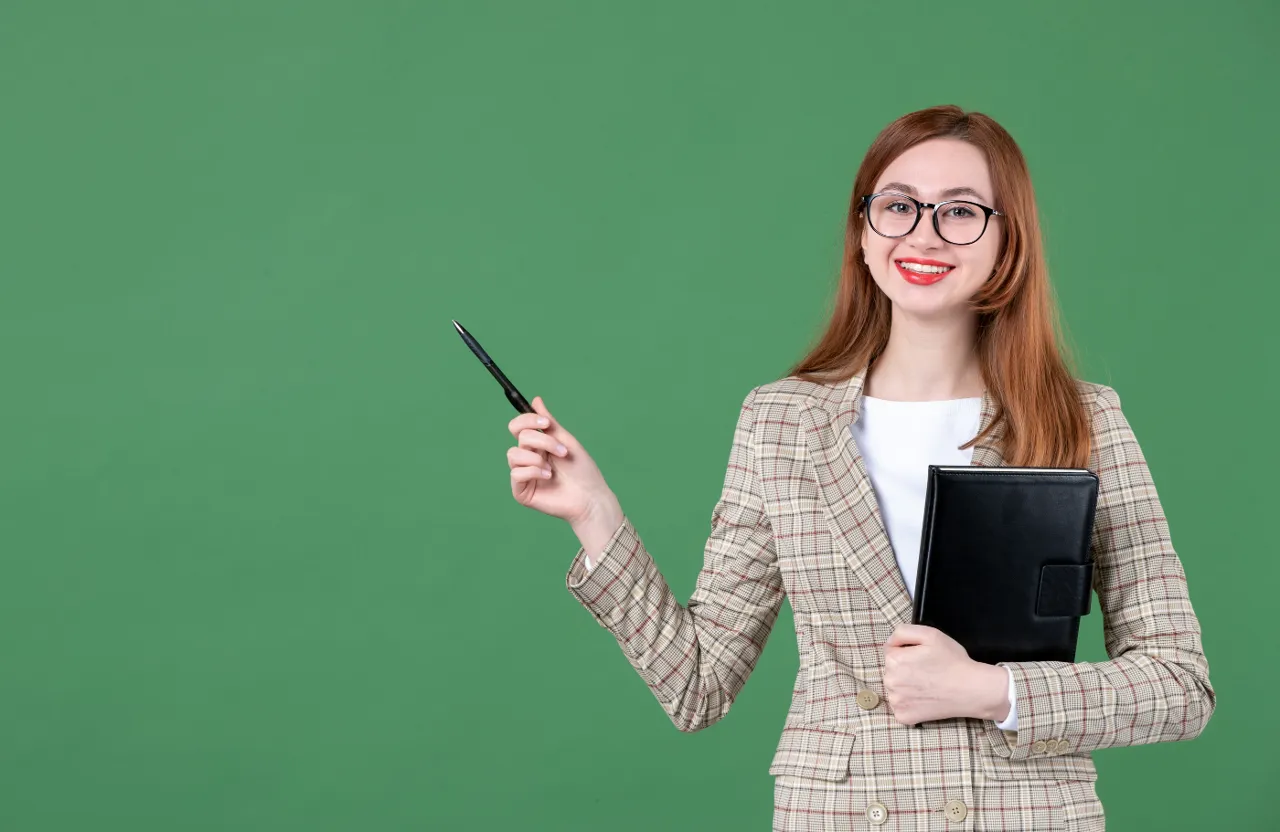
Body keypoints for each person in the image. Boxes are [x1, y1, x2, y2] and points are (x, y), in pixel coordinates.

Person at [502, 105, 1215, 831]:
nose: (923, 235)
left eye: (961, 212)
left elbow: (1179, 684)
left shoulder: (1081, 420)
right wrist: (595, 514)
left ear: (1008, 242)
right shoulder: (781, 421)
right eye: (899, 207)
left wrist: (987, 690)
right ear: (863, 231)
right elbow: (697, 685)